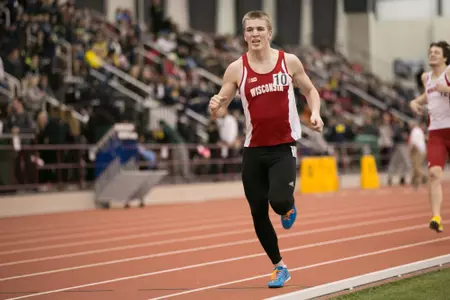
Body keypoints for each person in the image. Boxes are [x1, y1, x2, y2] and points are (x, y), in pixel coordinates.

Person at [208, 10, 323, 288]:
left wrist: (315, 113)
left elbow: (310, 90)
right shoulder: (237, 68)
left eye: (260, 29)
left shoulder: (288, 62)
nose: (255, 34)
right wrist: (215, 107)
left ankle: (288, 207)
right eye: (250, 30)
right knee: (258, 212)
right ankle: (280, 267)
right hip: (254, 150)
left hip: (283, 147)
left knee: (279, 201)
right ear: (244, 35)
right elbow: (221, 103)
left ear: (269, 33)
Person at [410, 41, 450, 233]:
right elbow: (428, 95)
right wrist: (415, 102)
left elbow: (442, 91)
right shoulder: (426, 78)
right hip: (436, 133)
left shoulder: (448, 73)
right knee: (434, 174)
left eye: (437, 52)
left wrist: (448, 90)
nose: (432, 54)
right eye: (430, 51)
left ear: (444, 57)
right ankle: (436, 217)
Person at [408, 120, 427, 189]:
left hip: (417, 151)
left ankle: (425, 177)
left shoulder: (414, 131)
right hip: (422, 151)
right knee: (416, 167)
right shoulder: (419, 130)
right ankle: (415, 182)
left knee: (416, 167)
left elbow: (413, 143)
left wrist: (409, 152)